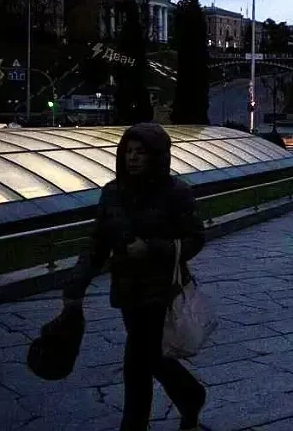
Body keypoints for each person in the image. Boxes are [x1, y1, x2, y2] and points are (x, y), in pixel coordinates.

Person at [62, 123, 207, 431]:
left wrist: (152, 248)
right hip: (128, 291)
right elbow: (98, 242)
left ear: (156, 155)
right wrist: (76, 285)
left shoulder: (176, 193)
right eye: (128, 151)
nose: (133, 158)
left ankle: (137, 423)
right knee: (151, 357)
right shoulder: (113, 193)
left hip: (162, 291)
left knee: (138, 360)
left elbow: (195, 238)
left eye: (140, 152)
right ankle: (190, 396)